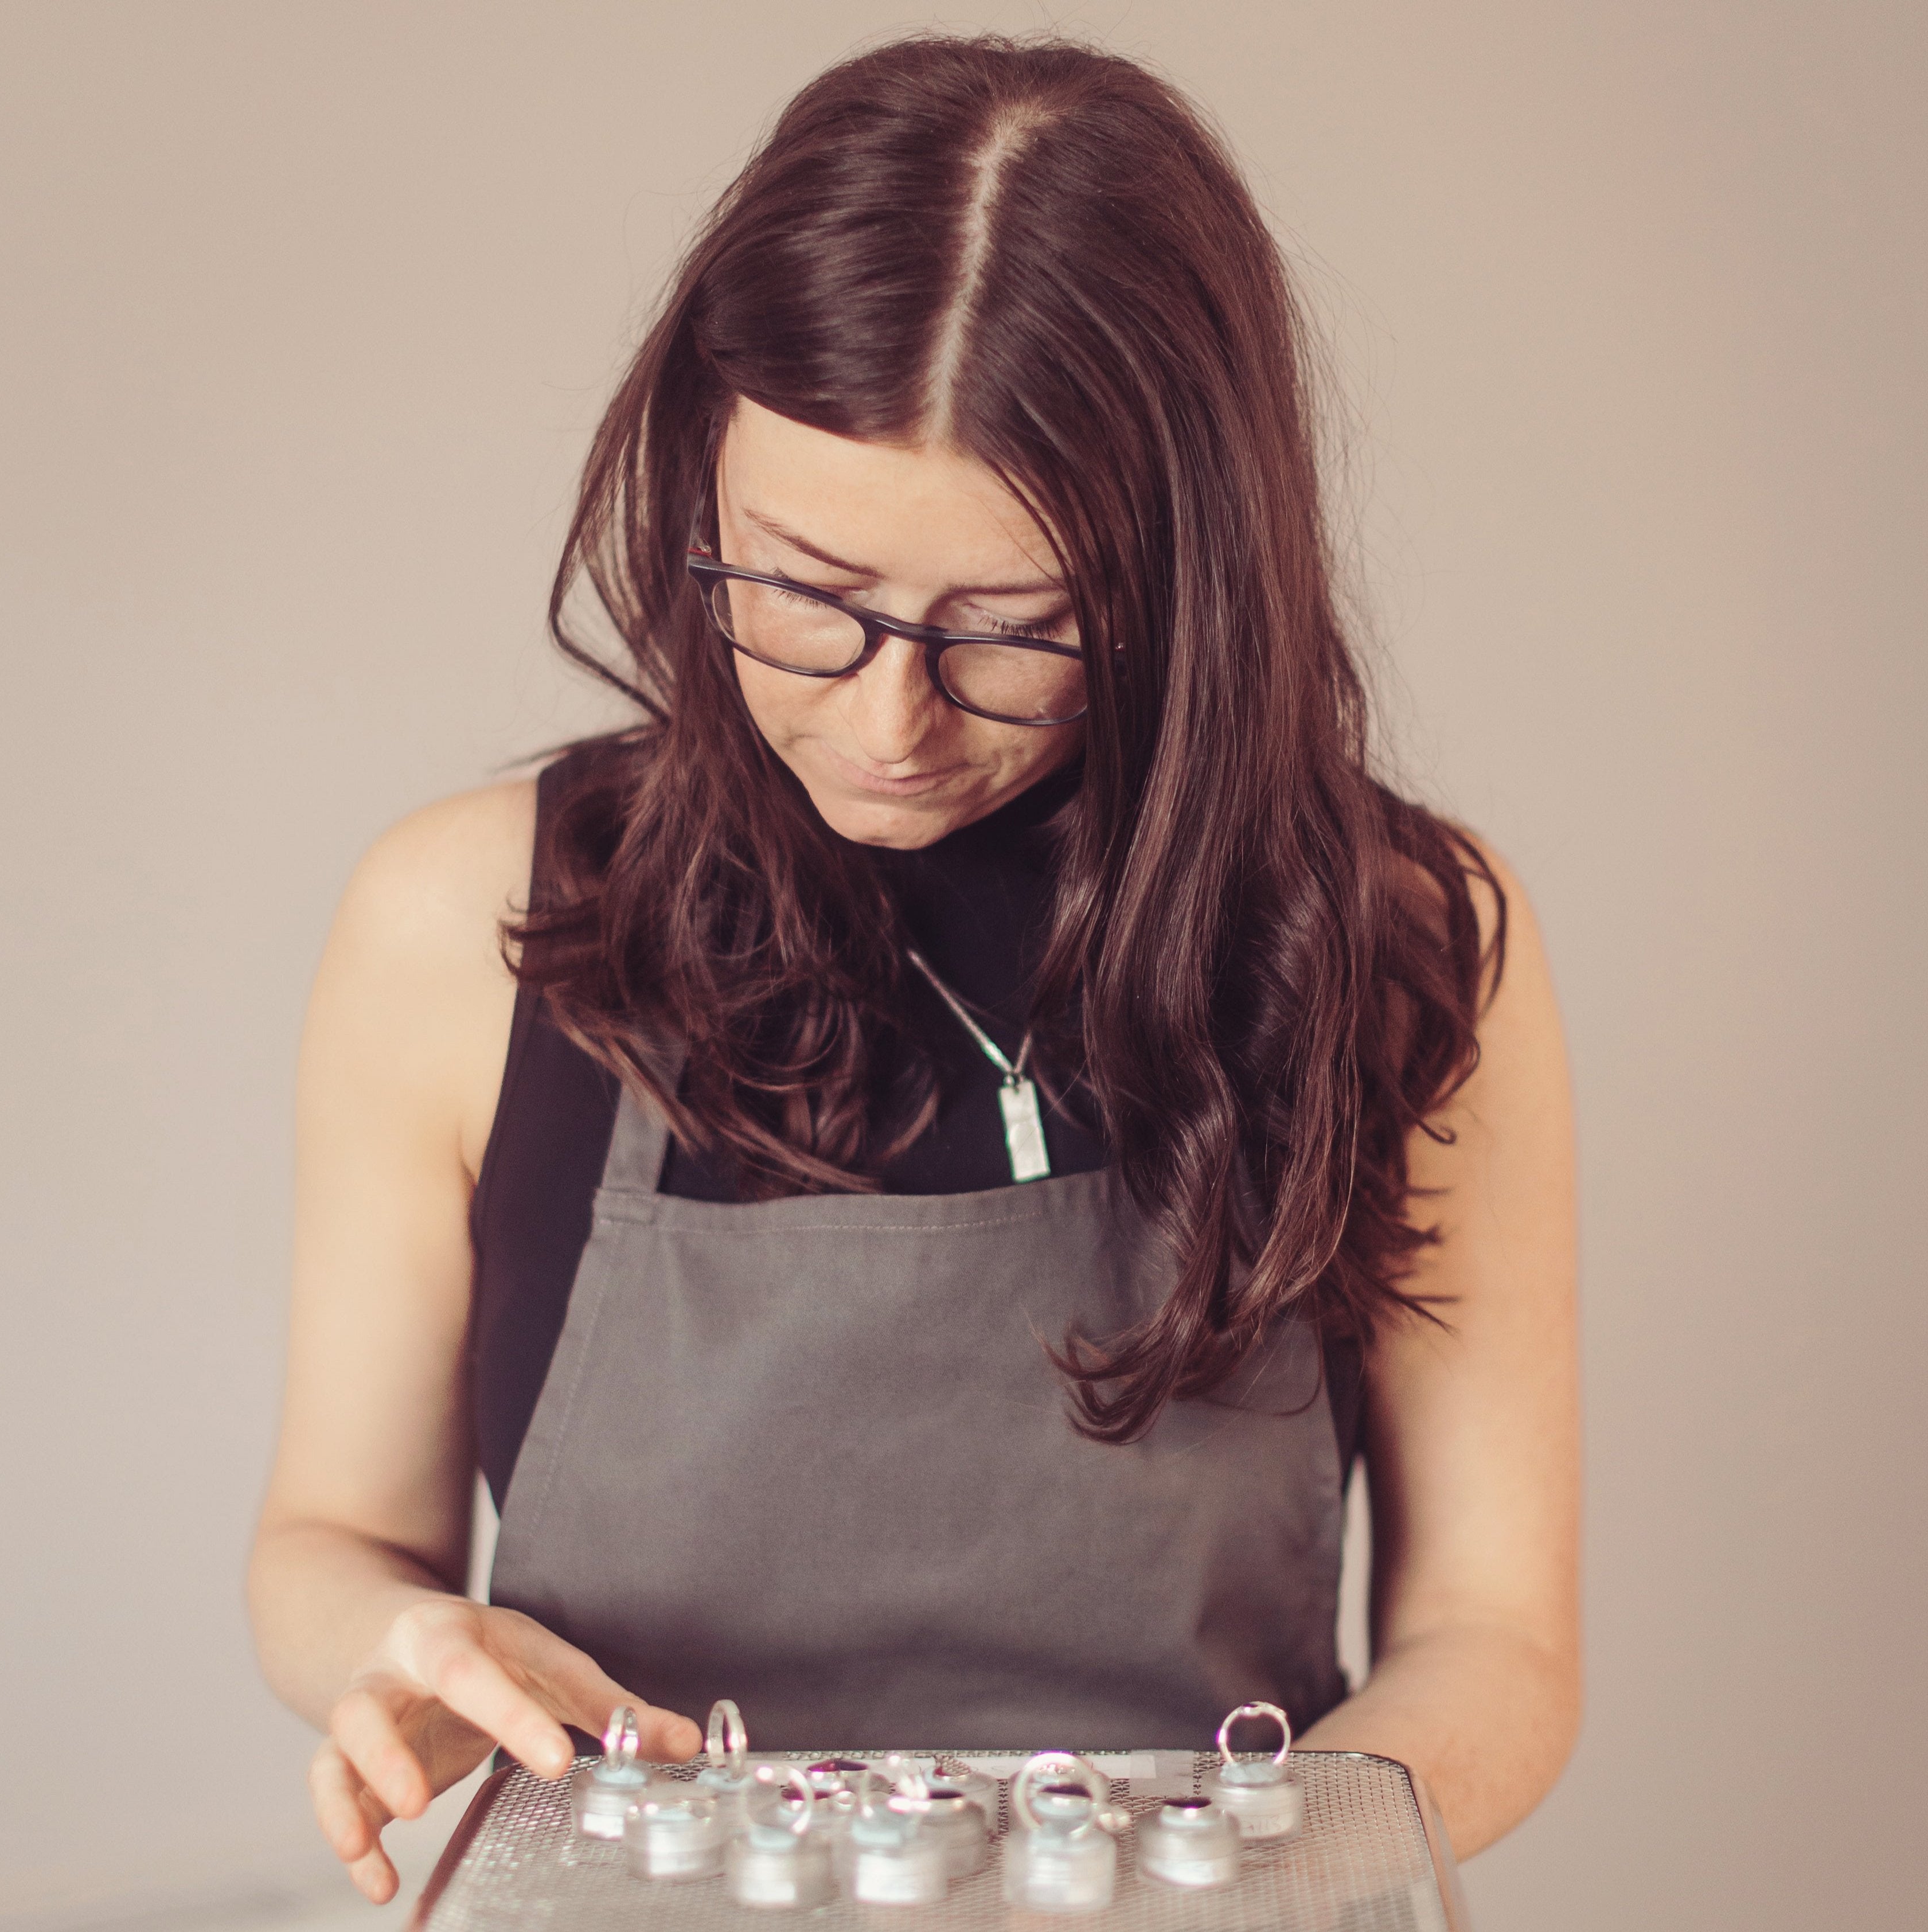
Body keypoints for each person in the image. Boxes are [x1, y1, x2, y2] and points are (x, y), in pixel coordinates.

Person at [248, 31, 1580, 1907]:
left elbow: (1496, 1643)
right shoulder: (457, 919)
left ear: (1185, 586)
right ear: (694, 492)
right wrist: (395, 1652)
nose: (888, 721)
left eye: (1012, 631)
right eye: (801, 592)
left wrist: (1215, 1869)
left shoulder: (1403, 943)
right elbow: (328, 1539)